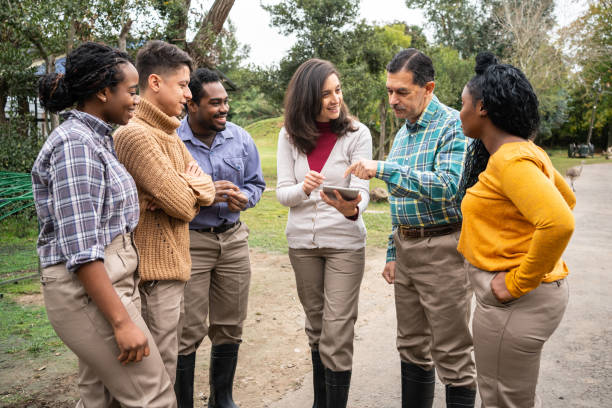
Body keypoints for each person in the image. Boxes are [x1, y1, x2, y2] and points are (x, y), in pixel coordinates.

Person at [31, 42, 176, 407]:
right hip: (90, 289)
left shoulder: (98, 139)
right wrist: (122, 322)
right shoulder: (76, 145)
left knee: (102, 398)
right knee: (153, 395)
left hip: (110, 283)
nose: (136, 101)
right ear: (102, 91)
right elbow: (82, 249)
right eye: (130, 92)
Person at [345, 48, 476, 407]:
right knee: (412, 345)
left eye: (402, 92)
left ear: (428, 88)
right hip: (407, 248)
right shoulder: (403, 134)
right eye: (389, 91)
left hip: (445, 249)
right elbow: (401, 199)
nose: (392, 99)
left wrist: (384, 169)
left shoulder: (454, 125)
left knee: (451, 351)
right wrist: (392, 251)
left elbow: (449, 187)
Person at [457, 52, 575, 408]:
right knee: (512, 397)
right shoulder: (525, 151)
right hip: (535, 297)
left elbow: (559, 221)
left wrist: (515, 281)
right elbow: (566, 198)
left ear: (482, 108)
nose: (459, 111)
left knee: (501, 400)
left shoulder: (510, 160)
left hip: (518, 301)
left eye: (462, 103)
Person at [113, 40, 216, 384]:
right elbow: (186, 207)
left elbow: (209, 190)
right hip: (151, 277)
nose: (189, 94)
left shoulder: (169, 134)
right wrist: (190, 190)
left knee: (164, 369)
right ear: (155, 83)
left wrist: (189, 188)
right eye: (183, 85)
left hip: (172, 272)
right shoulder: (136, 136)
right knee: (153, 378)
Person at [276, 58, 372, 408]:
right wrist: (303, 188)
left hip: (344, 244)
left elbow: (360, 193)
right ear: (306, 98)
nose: (335, 100)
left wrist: (350, 206)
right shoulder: (289, 135)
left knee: (337, 329)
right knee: (316, 327)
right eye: (325, 94)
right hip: (302, 244)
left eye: (338, 91)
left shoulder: (357, 134)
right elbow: (283, 193)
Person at [174, 68, 265, 408]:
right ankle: (183, 402)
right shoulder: (174, 143)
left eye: (226, 102)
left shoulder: (240, 138)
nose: (224, 109)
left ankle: (222, 399)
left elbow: (256, 183)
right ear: (192, 106)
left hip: (233, 240)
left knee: (230, 323)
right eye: (215, 103)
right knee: (188, 327)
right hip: (192, 241)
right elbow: (168, 192)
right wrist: (205, 194)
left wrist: (247, 197)